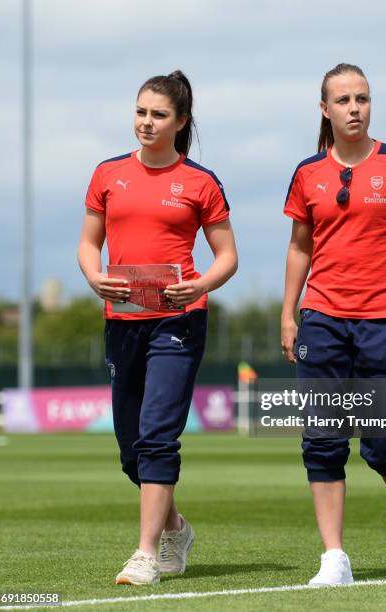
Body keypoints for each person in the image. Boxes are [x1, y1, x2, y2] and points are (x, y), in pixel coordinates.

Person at [281, 63, 386, 586]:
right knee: (322, 439)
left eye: (363, 99)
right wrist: (289, 313)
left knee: (385, 443)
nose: (355, 108)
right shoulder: (308, 173)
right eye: (344, 100)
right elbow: (299, 247)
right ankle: (334, 557)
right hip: (323, 318)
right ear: (325, 110)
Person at [78, 70, 238, 586]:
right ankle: (176, 527)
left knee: (157, 438)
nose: (147, 123)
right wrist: (93, 276)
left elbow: (227, 257)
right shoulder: (107, 174)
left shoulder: (200, 182)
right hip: (122, 323)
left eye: (159, 115)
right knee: (130, 451)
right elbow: (88, 243)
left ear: (181, 122)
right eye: (141, 112)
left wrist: (199, 287)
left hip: (179, 321)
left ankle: (146, 552)